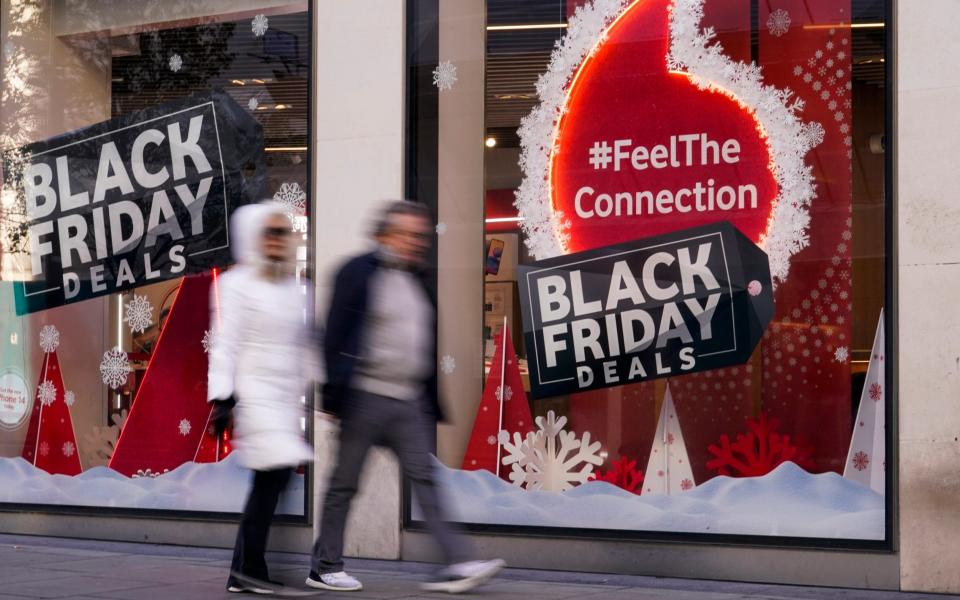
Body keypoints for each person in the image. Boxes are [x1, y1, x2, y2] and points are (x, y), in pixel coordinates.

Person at [306, 200, 504, 594]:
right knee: (345, 483)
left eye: (420, 235)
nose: (415, 242)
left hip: (407, 399)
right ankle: (325, 567)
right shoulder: (356, 272)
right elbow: (335, 336)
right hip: (364, 395)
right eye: (407, 234)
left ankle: (458, 563)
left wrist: (429, 396)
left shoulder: (417, 278)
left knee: (426, 479)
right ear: (384, 234)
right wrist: (332, 396)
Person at [207, 202, 315, 594]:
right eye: (268, 232)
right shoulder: (235, 285)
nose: (275, 240)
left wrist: (320, 388)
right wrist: (223, 397)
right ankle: (250, 568)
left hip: (285, 400)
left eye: (281, 232)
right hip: (255, 396)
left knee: (271, 479)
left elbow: (305, 345)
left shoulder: (295, 288)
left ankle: (243, 571)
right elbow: (226, 343)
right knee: (273, 476)